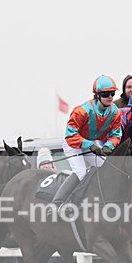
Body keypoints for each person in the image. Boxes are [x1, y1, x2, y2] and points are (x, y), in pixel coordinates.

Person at [52, 75, 122, 207]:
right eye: (106, 94)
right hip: (72, 142)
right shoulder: (81, 111)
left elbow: (116, 134)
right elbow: (71, 135)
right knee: (81, 172)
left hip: (90, 142)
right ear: (97, 95)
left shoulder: (115, 112)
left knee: (104, 168)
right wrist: (90, 145)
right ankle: (56, 203)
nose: (110, 97)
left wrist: (109, 145)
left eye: (112, 93)